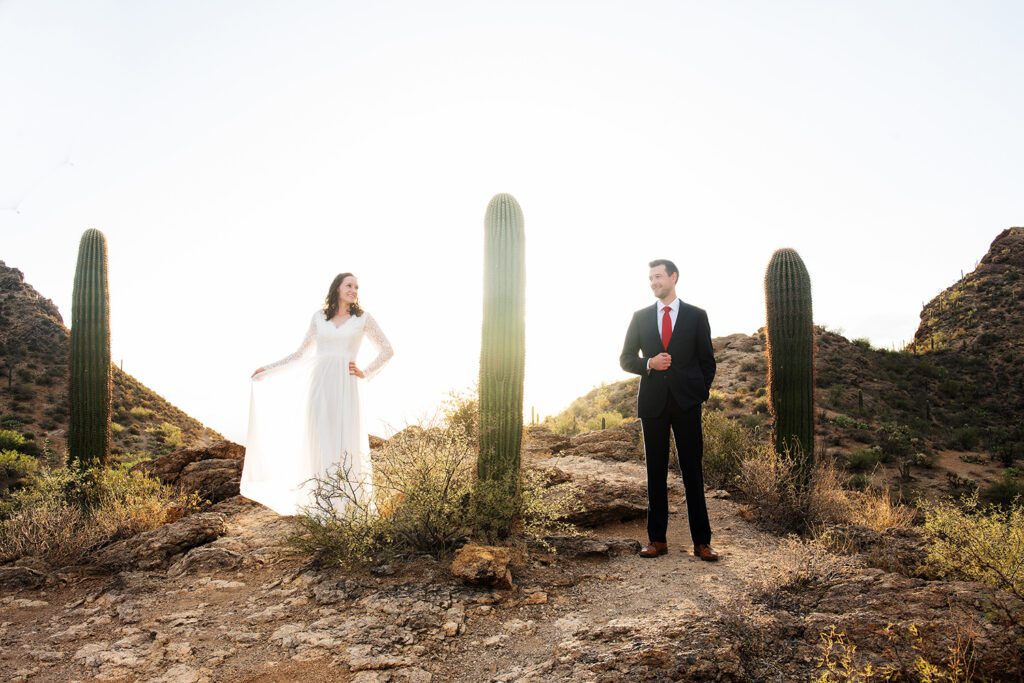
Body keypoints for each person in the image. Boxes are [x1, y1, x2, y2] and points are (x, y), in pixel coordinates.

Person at [241, 272, 393, 516]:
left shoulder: (363, 319)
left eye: (357, 286)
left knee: (345, 441)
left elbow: (387, 350)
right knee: (320, 441)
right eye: (349, 285)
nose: (354, 290)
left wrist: (366, 372)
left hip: (346, 386)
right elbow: (301, 353)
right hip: (320, 387)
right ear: (337, 288)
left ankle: (349, 507)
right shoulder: (318, 318)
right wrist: (268, 369)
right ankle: (322, 505)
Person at [619, 259, 719, 561]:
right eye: (650, 278)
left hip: (687, 404)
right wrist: (649, 363)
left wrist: (699, 393)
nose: (653, 282)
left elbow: (707, 362)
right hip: (653, 405)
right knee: (655, 474)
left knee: (692, 472)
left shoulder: (696, 316)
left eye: (658, 276)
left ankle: (702, 542)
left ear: (674, 277)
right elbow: (625, 359)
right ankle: (657, 540)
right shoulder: (640, 317)